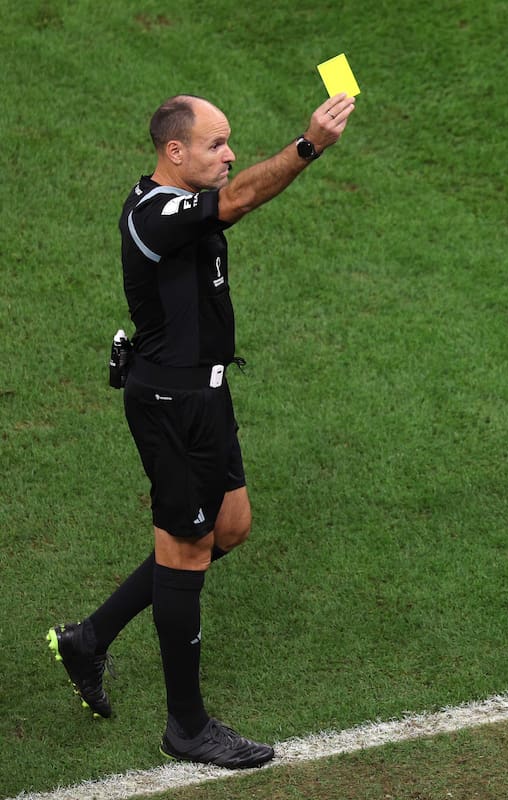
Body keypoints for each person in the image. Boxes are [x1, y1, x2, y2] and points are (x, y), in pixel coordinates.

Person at [47, 90, 355, 769]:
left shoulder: (178, 203)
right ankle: (186, 728)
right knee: (185, 551)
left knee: (230, 527)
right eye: (217, 144)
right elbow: (240, 199)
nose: (230, 153)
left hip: (207, 395)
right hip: (171, 405)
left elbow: (231, 197)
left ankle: (90, 638)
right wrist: (307, 148)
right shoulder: (154, 213)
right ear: (174, 151)